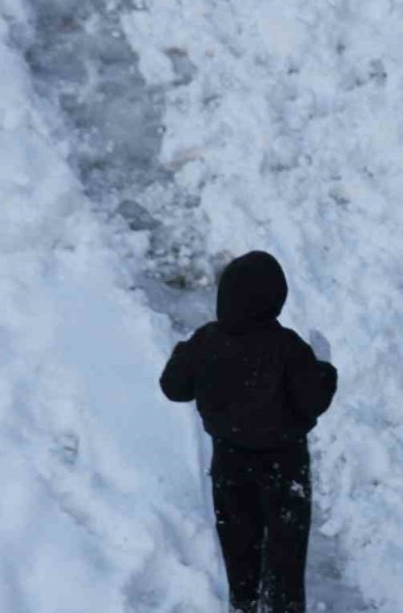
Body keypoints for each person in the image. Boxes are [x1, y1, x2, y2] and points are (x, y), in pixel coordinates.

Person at [160, 250, 337, 613]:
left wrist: (185, 353)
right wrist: (325, 369)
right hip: (285, 465)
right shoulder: (288, 347)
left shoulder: (207, 341)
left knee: (240, 544)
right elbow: (313, 401)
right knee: (286, 551)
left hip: (230, 461)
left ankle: (243, 604)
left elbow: (174, 387)